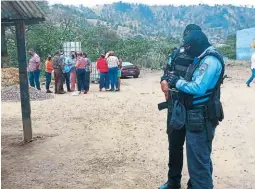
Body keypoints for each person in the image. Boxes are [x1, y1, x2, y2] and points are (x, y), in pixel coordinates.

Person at [167, 29, 225, 189]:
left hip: (202, 117)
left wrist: (177, 82)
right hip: (196, 116)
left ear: (194, 45)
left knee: (199, 166)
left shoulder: (210, 60)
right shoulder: (203, 56)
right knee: (200, 161)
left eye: (188, 48)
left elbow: (198, 87)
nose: (187, 52)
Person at [159, 24, 202, 189]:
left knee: (196, 149)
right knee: (175, 146)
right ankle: (173, 182)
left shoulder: (205, 56)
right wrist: (163, 81)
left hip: (195, 108)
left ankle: (195, 183)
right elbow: (166, 72)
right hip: (175, 107)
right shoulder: (176, 53)